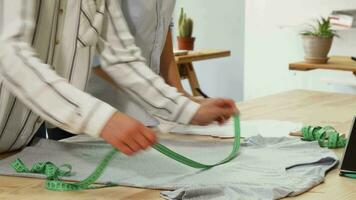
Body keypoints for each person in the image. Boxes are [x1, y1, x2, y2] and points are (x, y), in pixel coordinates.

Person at [0, 0, 238, 155]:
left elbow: (123, 58)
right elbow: (10, 54)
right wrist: (99, 118)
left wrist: (188, 110)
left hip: (18, 144)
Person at [88, 0, 202, 128]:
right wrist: (171, 103)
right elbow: (99, 54)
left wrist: (179, 93)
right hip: (103, 107)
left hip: (150, 103)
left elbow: (162, 26)